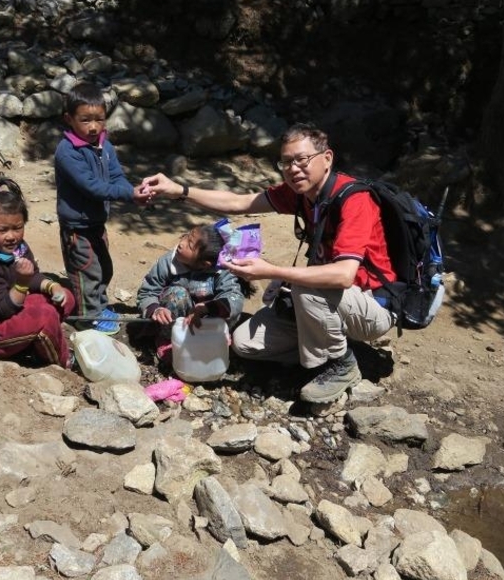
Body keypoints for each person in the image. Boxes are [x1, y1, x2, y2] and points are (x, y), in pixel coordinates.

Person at [138, 124, 396, 403]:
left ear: (328, 158)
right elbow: (238, 202)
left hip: (374, 303)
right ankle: (323, 352)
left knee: (302, 283)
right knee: (245, 344)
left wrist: (271, 271)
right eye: (286, 162)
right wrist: (178, 189)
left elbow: (344, 275)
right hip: (332, 300)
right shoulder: (300, 195)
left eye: (302, 159)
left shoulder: (354, 200)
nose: (294, 169)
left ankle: (341, 364)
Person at [0, 173, 75, 368]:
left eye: (17, 228)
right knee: (44, 316)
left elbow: (33, 276)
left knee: (66, 297)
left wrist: (51, 286)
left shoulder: (18, 248)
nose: (11, 236)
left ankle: (37, 339)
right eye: (2, 230)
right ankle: (61, 362)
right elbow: (3, 309)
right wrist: (21, 283)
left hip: (11, 311)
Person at [54, 82, 147, 335]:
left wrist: (133, 192)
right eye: (85, 120)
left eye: (100, 120)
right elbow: (91, 187)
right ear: (69, 119)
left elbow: (116, 176)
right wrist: (129, 194)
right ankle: (87, 319)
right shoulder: (68, 151)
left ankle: (99, 305)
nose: (94, 126)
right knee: (86, 272)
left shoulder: (104, 145)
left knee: (104, 267)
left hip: (96, 222)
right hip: (77, 227)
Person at [136, 222, 249, 361]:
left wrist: (208, 308)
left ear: (204, 264)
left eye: (190, 245)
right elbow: (147, 292)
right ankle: (168, 338)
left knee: (226, 306)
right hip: (175, 319)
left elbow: (234, 298)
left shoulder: (222, 271)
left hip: (206, 322)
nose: (181, 243)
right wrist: (155, 310)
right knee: (177, 294)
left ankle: (215, 337)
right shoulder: (168, 262)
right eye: (186, 236)